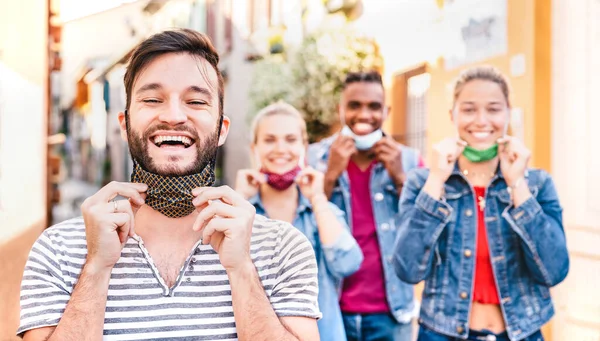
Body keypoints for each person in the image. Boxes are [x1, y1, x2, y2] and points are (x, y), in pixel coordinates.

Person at [18, 29, 321, 341]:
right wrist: (96, 268)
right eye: (152, 99)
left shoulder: (282, 248)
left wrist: (242, 269)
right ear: (124, 125)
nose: (174, 116)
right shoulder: (57, 251)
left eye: (195, 101)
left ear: (221, 129)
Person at [393, 65, 569, 341]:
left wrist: (516, 184)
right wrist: (437, 179)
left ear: (508, 113)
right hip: (441, 332)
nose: (481, 120)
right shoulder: (423, 182)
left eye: (494, 109)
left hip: (521, 333)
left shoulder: (537, 184)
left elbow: (554, 271)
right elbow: (407, 269)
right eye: (469, 109)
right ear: (452, 115)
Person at [308, 71, 423, 341]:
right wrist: (330, 175)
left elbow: (423, 231)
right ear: (341, 110)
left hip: (391, 314)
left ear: (387, 111)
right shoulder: (315, 157)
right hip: (330, 309)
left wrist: (400, 178)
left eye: (374, 106)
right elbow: (302, 224)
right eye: (354, 105)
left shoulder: (409, 160)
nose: (364, 115)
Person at [235, 101, 364, 340]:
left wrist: (317, 199)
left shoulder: (323, 211)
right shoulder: (240, 213)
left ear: (304, 147)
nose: (281, 148)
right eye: (270, 139)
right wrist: (240, 198)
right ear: (254, 148)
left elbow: (347, 265)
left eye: (291, 139)